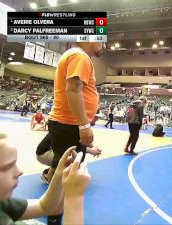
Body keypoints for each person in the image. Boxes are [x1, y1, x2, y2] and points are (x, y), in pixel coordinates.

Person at [46, 41, 105, 225]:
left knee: (63, 172)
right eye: (101, 39)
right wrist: (83, 125)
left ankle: (54, 215)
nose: (104, 44)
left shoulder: (77, 56)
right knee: (64, 174)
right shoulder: (80, 56)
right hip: (69, 124)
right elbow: (73, 89)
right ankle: (54, 219)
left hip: (68, 123)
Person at [0, 133, 91, 225]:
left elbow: (43, 206)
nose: (19, 171)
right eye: (7, 167)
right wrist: (75, 197)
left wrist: (60, 173)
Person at [36, 133, 102, 184]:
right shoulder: (70, 127)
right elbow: (76, 146)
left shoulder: (75, 126)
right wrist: (92, 151)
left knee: (77, 155)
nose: (95, 120)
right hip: (44, 153)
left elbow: (86, 139)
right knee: (77, 156)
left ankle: (55, 172)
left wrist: (94, 147)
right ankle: (48, 175)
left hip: (52, 151)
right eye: (94, 118)